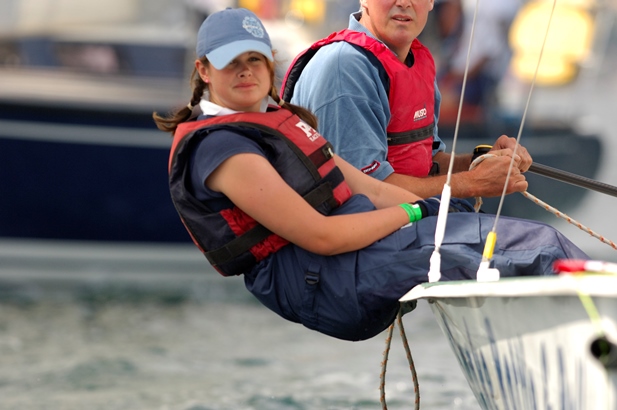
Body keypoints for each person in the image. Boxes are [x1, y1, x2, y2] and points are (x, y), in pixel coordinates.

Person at [154, 8, 588, 342]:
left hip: (348, 253)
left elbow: (369, 188)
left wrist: (474, 166)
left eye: (255, 59)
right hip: (319, 278)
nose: (246, 71)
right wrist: (419, 212)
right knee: (539, 245)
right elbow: (323, 236)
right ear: (204, 71)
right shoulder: (223, 150)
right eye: (231, 63)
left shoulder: (276, 122)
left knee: (522, 240)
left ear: (271, 66)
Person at [281, 0, 530, 200]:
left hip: (404, 226)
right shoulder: (345, 67)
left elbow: (428, 164)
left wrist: (481, 160)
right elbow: (365, 192)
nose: (403, 3)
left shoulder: (416, 60)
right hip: (355, 244)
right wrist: (472, 183)